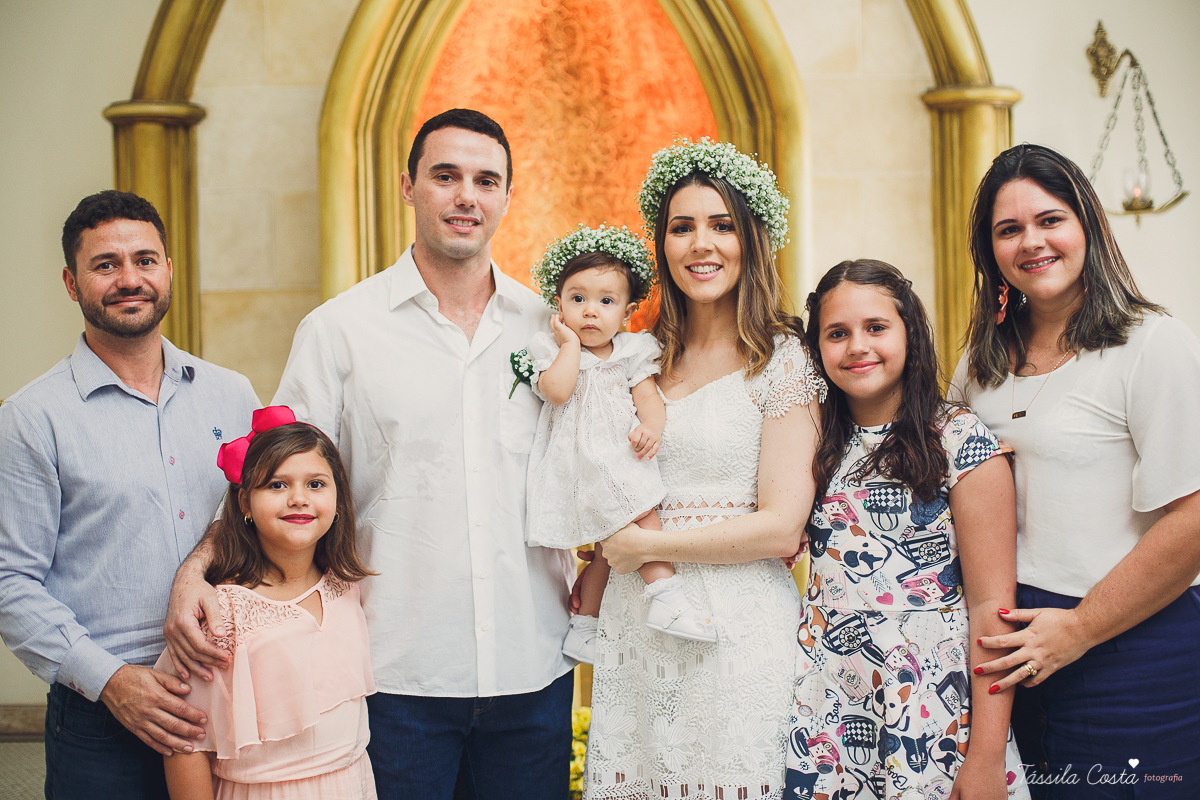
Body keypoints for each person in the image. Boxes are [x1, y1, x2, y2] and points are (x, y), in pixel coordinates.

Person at [164, 109, 576, 800]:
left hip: (532, 666)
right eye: (445, 176)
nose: (465, 196)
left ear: (508, 194)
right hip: (395, 672)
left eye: (485, 180)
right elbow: (268, 473)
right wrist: (196, 572)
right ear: (409, 186)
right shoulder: (339, 331)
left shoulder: (549, 330)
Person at [577, 139, 826, 800]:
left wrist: (645, 546)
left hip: (739, 627)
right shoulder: (635, 358)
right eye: (681, 227)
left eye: (720, 225)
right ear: (661, 247)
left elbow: (779, 529)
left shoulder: (782, 360)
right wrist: (601, 554)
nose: (700, 244)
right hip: (638, 623)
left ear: (751, 239)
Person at [951, 144, 1200, 796]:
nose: (1032, 241)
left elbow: (1194, 520)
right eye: (1009, 230)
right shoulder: (978, 367)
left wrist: (1080, 630)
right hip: (1006, 659)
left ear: (1087, 222)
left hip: (1128, 654)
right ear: (990, 250)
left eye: (1050, 219)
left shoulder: (1151, 345)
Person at [0, 190, 259, 799]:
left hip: (228, 702)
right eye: (105, 264)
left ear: (168, 269)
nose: (129, 279)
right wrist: (113, 681)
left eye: (144, 260)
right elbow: (10, 581)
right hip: (101, 724)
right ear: (72, 282)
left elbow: (258, 526)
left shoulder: (232, 394)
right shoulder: (33, 418)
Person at [786, 260, 1028, 799]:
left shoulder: (959, 439)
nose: (856, 346)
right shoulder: (810, 442)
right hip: (830, 697)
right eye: (837, 333)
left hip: (931, 705)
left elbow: (993, 609)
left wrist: (986, 756)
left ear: (909, 333)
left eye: (876, 328)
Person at [158, 408, 376, 800]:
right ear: (244, 502)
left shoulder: (345, 586)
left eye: (315, 484)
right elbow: (183, 741)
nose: (298, 499)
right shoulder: (221, 613)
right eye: (276, 485)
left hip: (351, 783)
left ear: (339, 498)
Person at [523, 224, 716, 665]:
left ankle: (584, 626)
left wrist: (652, 427)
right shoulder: (550, 348)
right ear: (559, 305)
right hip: (581, 465)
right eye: (578, 299)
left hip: (619, 457)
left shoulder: (631, 351)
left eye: (605, 302)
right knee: (640, 517)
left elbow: (650, 398)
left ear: (626, 312)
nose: (590, 312)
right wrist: (569, 345)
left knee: (606, 556)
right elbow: (556, 390)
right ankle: (666, 595)